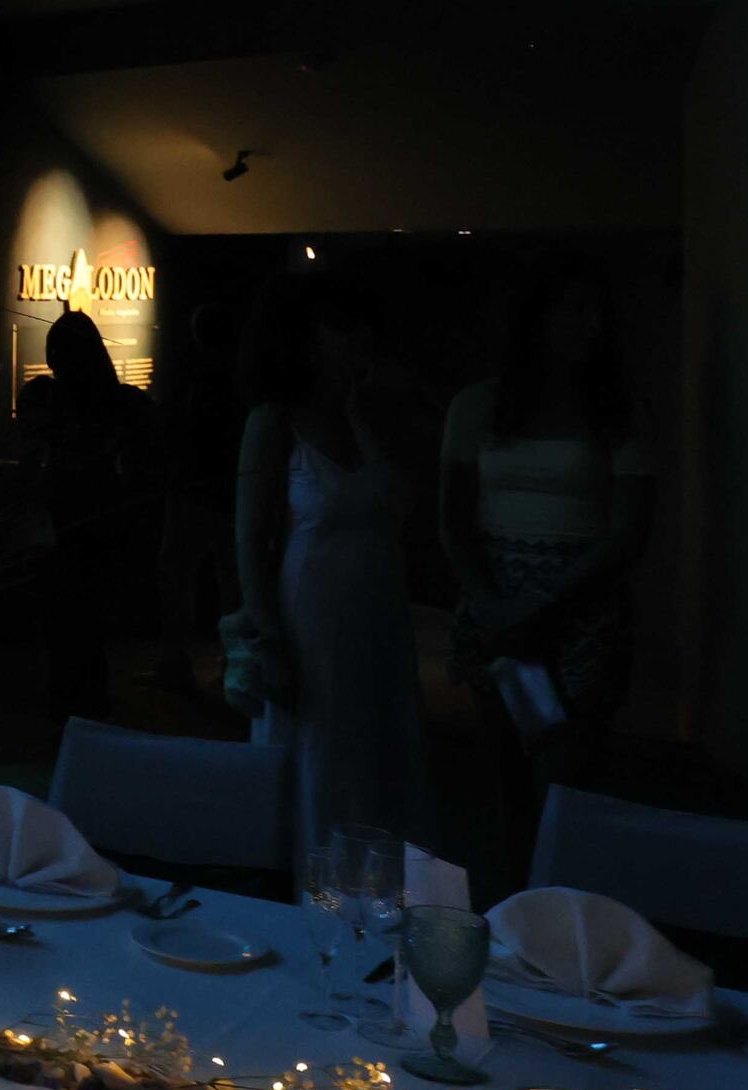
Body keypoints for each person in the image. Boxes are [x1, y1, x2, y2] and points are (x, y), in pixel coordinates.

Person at [234, 277, 433, 858]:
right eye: (340, 326)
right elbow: (249, 536)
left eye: (359, 324)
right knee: (323, 753)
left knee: (379, 748)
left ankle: (382, 883)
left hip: (378, 611)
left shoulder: (365, 415)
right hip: (312, 616)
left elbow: (411, 496)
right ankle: (321, 887)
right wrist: (268, 637)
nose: (359, 336)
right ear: (303, 338)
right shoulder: (275, 421)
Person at [439, 251, 655, 780]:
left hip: (583, 605)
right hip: (497, 596)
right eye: (577, 310)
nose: (594, 326)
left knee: (567, 775)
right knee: (506, 773)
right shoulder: (477, 406)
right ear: (538, 319)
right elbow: (453, 519)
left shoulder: (619, 413)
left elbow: (629, 530)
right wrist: (491, 606)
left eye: (600, 312)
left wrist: (545, 603)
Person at [16, 307, 155, 723]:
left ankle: (65, 708)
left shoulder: (46, 399)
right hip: (103, 526)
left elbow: (27, 456)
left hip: (60, 529)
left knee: (62, 626)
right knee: (90, 625)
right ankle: (91, 706)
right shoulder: (123, 403)